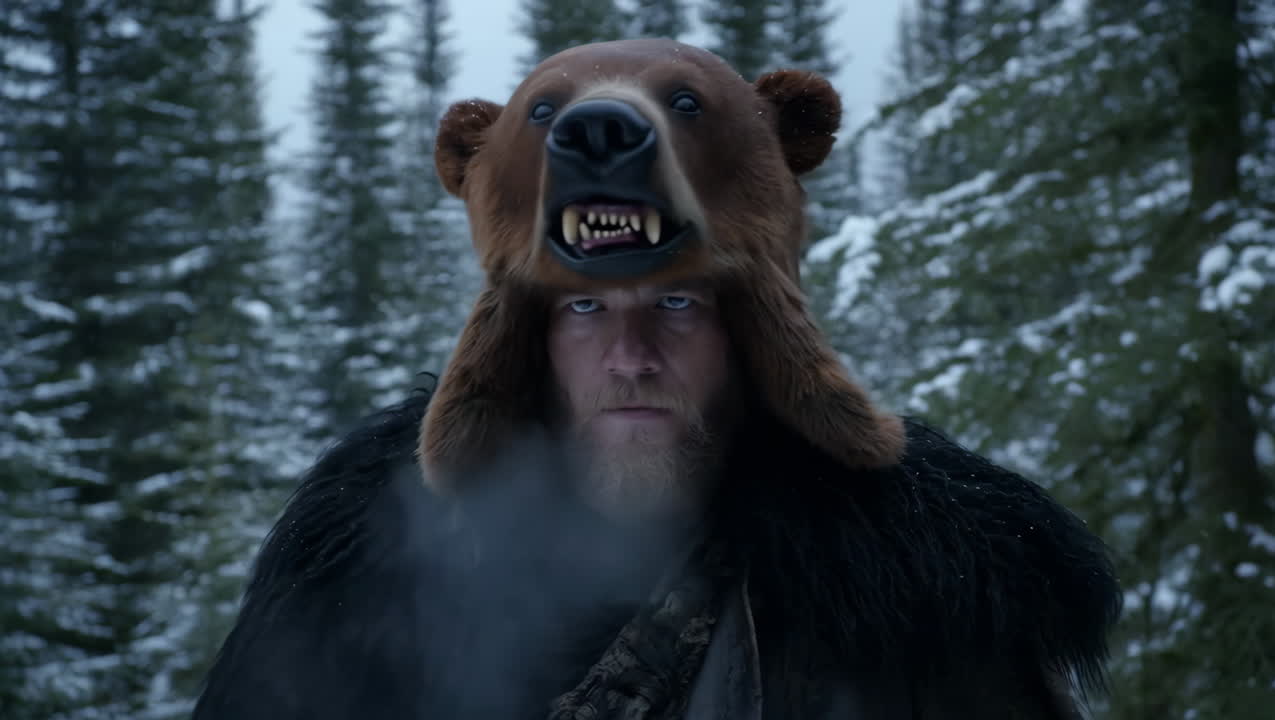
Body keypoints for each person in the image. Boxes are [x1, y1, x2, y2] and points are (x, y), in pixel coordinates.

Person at [193, 39, 1121, 720]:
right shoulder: (363, 571)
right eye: (585, 310)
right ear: (522, 339)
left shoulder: (919, 599)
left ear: (754, 336)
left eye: (677, 306)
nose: (630, 356)